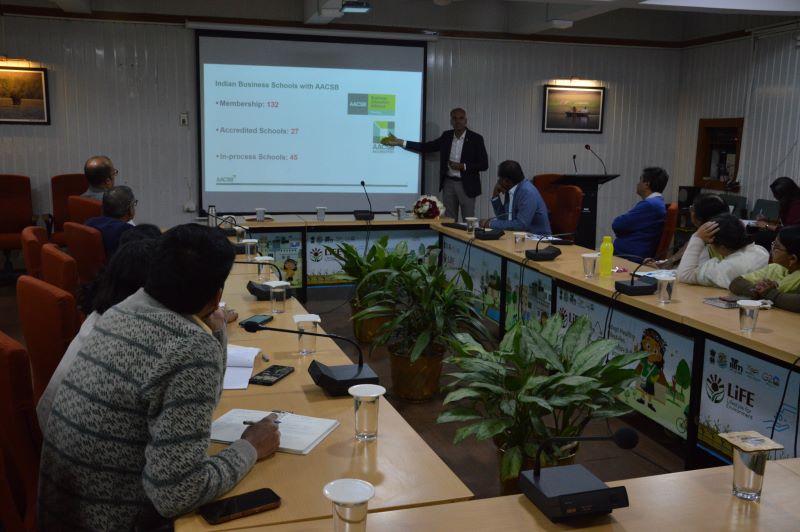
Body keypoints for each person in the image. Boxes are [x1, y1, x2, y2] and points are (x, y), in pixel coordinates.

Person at [37, 224, 280, 530]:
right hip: (117, 521)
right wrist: (251, 448)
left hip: (67, 515)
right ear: (217, 294)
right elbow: (178, 494)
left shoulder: (121, 309)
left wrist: (215, 331)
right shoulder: (188, 347)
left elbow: (199, 405)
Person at [381, 108, 488, 221]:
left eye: (461, 118)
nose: (458, 121)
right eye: (454, 118)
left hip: (467, 185)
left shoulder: (476, 139)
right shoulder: (446, 136)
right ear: (451, 121)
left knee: (469, 220)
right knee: (449, 220)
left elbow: (484, 164)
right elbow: (426, 147)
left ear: (466, 120)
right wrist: (401, 142)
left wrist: (463, 166)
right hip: (449, 183)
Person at [676, 213, 769, 288]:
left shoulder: (728, 267)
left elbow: (684, 275)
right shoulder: (761, 251)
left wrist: (697, 237)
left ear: (722, 247)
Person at [729, 225, 800, 312]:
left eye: (776, 246)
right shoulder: (776, 268)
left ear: (793, 258)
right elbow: (736, 282)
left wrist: (769, 293)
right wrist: (756, 290)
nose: (772, 248)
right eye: (773, 243)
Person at [648, 193, 729, 269]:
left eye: (692, 208)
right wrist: (663, 264)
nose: (690, 210)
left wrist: (661, 269)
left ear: (699, 218)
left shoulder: (707, 244)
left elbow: (685, 273)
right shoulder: (720, 233)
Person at [611, 167, 669, 262]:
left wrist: (623, 233)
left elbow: (617, 224)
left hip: (630, 257)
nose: (638, 184)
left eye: (640, 180)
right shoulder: (656, 203)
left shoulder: (649, 205)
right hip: (632, 253)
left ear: (647, 184)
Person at [482, 160, 550, 234]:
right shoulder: (510, 189)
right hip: (521, 237)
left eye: (499, 179)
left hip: (540, 240)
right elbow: (504, 219)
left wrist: (490, 224)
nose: (498, 182)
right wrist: (495, 196)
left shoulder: (527, 192)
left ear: (506, 181)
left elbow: (521, 225)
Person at [85, 185, 136, 256]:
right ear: (130, 210)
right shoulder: (126, 231)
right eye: (134, 204)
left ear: (102, 208)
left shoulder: (89, 222)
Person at [753, 177, 800, 249]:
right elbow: (786, 221)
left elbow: (790, 230)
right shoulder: (789, 202)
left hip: (794, 237)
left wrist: (766, 225)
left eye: (777, 195)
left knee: (761, 236)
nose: (775, 198)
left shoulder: (797, 206)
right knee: (758, 233)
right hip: (787, 233)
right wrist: (768, 220)